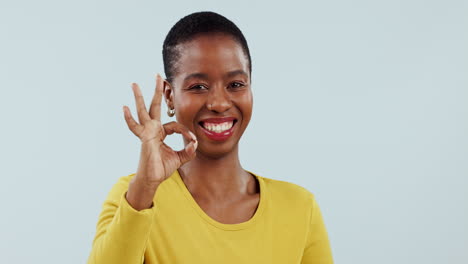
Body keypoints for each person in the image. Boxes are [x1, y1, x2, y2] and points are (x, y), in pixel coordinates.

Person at [87, 11, 333, 264]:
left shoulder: (299, 207)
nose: (218, 103)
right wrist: (144, 189)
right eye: (198, 87)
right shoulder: (135, 198)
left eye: (236, 84)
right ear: (170, 96)